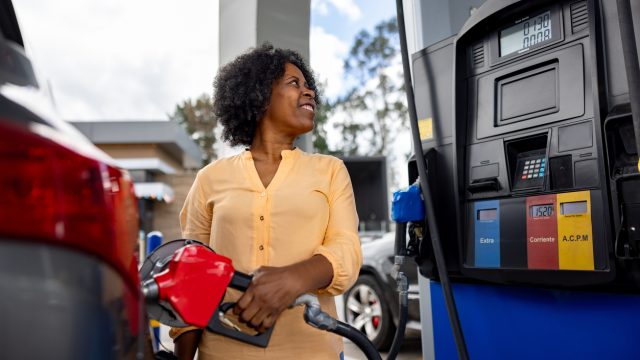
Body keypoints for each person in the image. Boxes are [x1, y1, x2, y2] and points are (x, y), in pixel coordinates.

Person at [170, 43, 363, 359]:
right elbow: (192, 276)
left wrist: (294, 278)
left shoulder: (329, 171)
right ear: (259, 94)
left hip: (312, 352)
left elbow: (347, 249)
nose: (309, 92)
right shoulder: (209, 178)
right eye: (294, 83)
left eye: (309, 85)